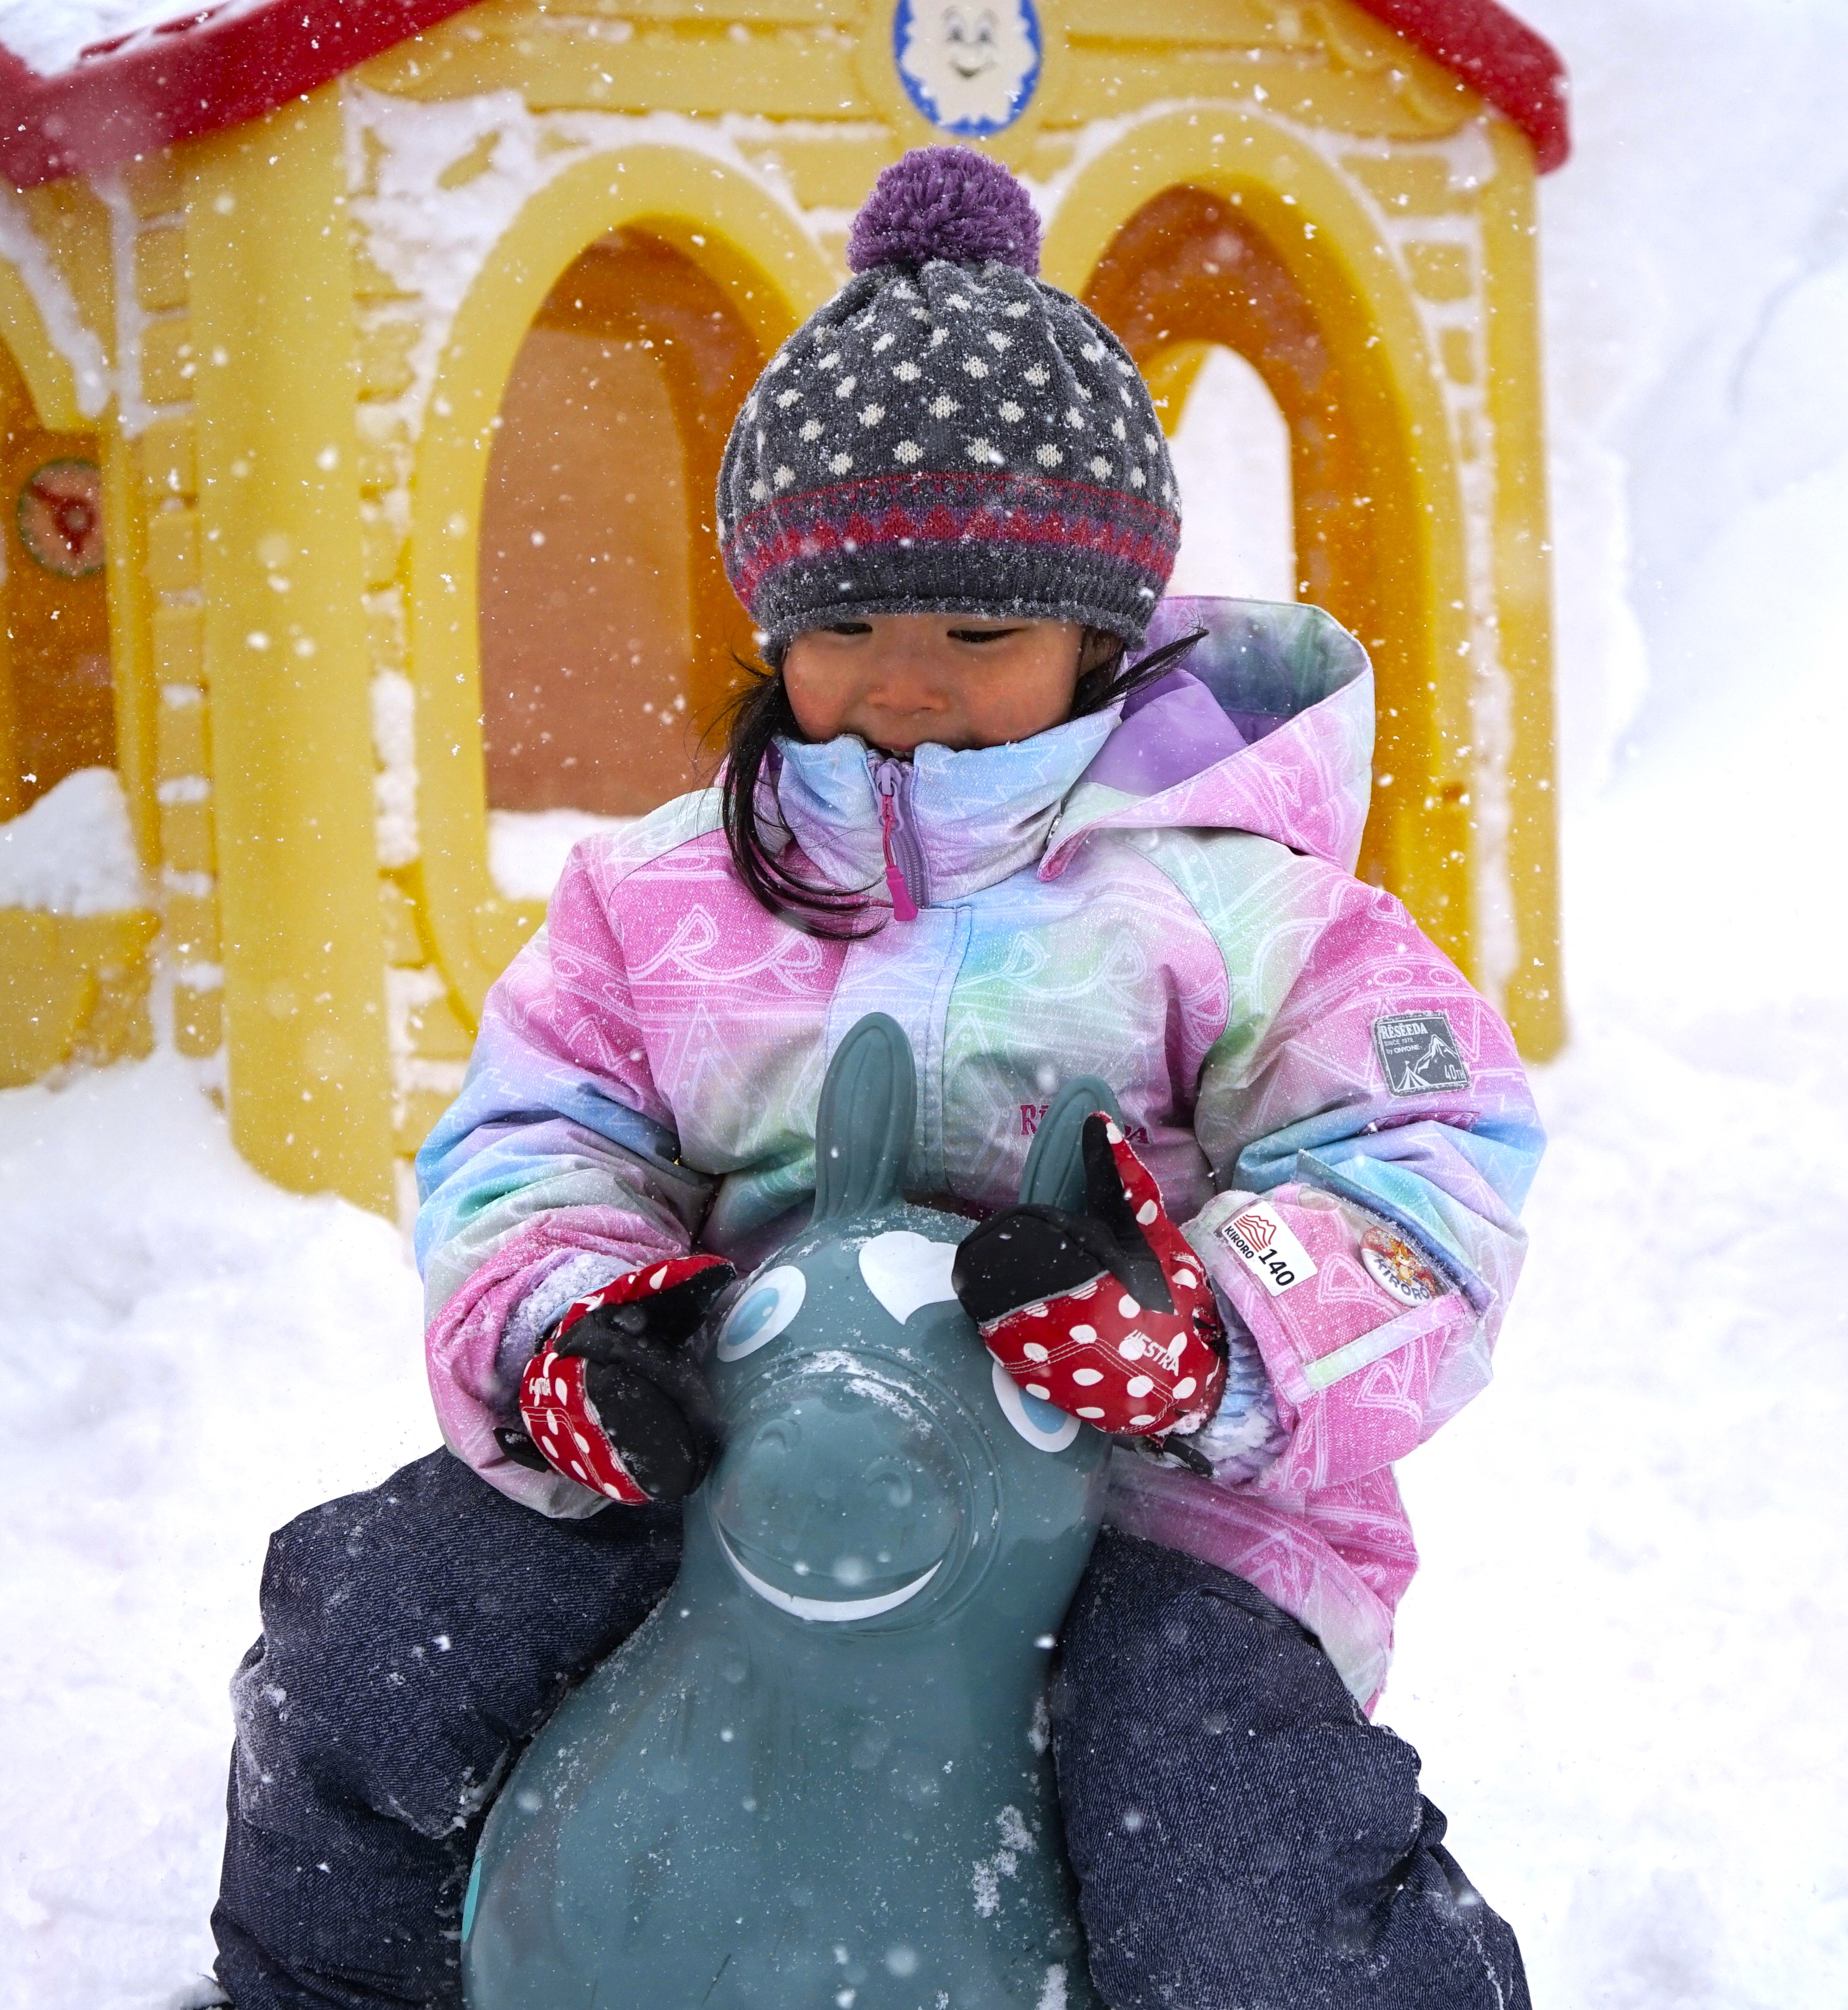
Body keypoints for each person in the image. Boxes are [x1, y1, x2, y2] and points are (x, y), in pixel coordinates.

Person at [209, 146, 1543, 2010]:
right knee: (378, 1632)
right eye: (843, 632)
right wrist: (579, 1332)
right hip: (722, 1454)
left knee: (1216, 1803)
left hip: (1147, 1508)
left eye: (976, 636)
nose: (901, 684)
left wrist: (1206, 1331)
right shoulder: (657, 897)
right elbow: (538, 1134)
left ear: (1097, 627)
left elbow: (1423, 1167)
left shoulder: (1236, 903)